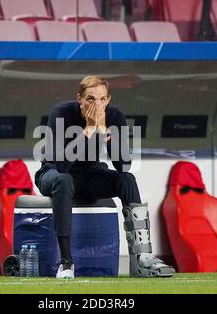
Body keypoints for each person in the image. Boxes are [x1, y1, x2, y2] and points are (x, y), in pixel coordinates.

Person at [35, 75, 175, 279]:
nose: (96, 104)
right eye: (90, 99)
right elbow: (63, 166)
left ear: (108, 100)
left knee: (127, 180)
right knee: (64, 180)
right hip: (53, 173)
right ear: (79, 99)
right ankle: (66, 263)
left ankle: (142, 258)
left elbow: (123, 166)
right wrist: (89, 129)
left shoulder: (114, 115)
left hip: (90, 175)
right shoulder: (62, 112)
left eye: (101, 99)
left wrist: (106, 133)